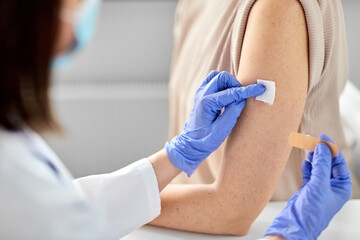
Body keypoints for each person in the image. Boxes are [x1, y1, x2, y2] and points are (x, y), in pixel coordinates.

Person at [0, 0, 352, 239]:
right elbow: (61, 217)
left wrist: (175, 157)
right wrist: (289, 234)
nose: (82, 8)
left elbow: (232, 209)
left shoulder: (278, 11)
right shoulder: (16, 180)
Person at [152, 0, 360, 235]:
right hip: (181, 224)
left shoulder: (279, 10)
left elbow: (231, 211)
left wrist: (126, 202)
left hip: (279, 222)